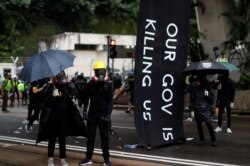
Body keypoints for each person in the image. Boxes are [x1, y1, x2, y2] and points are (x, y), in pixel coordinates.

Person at [36, 71, 86, 166]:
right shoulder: (50, 87)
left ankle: (63, 159)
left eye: (61, 76)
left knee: (62, 138)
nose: (60, 78)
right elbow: (46, 102)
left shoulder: (65, 86)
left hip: (64, 115)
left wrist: (70, 83)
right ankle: (50, 159)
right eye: (58, 76)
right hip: (52, 116)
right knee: (52, 138)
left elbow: (75, 93)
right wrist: (53, 97)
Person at [79, 60, 113, 166]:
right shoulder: (90, 84)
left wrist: (108, 115)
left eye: (102, 71)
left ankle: (106, 159)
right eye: (98, 71)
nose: (100, 73)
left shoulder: (109, 85)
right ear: (95, 72)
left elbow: (110, 101)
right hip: (92, 115)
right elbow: (86, 99)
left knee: (105, 138)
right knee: (90, 138)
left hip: (104, 116)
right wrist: (84, 112)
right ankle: (88, 158)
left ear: (105, 72)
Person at [191, 74, 217, 146]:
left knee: (208, 124)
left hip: (206, 109)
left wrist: (207, 95)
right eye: (197, 81)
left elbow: (212, 99)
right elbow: (192, 99)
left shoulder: (208, 87)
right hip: (197, 108)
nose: (197, 83)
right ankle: (202, 140)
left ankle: (213, 140)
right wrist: (192, 109)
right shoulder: (195, 88)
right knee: (199, 125)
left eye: (198, 81)